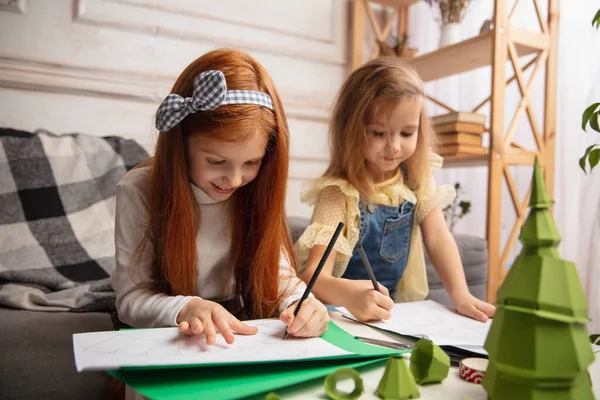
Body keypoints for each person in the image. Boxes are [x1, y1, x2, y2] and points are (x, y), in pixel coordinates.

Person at [112, 48, 329, 345]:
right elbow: (131, 299)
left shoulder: (256, 189)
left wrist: (301, 303)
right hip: (168, 329)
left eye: (251, 163)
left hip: (239, 328)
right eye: (216, 162)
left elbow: (278, 276)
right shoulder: (138, 191)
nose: (235, 180)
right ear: (181, 144)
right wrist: (185, 307)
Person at [294, 56, 496, 323]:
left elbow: (437, 238)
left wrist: (461, 294)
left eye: (407, 133)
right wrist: (350, 296)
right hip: (338, 314)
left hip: (393, 312)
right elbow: (313, 277)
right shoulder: (340, 193)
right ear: (351, 131)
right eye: (378, 133)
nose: (394, 146)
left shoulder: (416, 179)